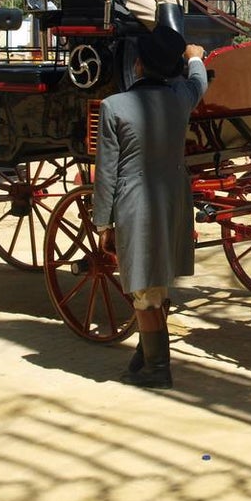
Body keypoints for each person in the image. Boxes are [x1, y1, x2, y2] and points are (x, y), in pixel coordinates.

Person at [93, 28, 209, 389]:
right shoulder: (181, 97)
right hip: (174, 202)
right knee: (157, 283)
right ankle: (145, 357)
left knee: (144, 291)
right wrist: (194, 57)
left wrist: (102, 225)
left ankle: (158, 368)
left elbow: (107, 175)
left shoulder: (114, 107)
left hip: (134, 206)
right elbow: (199, 81)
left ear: (138, 65)